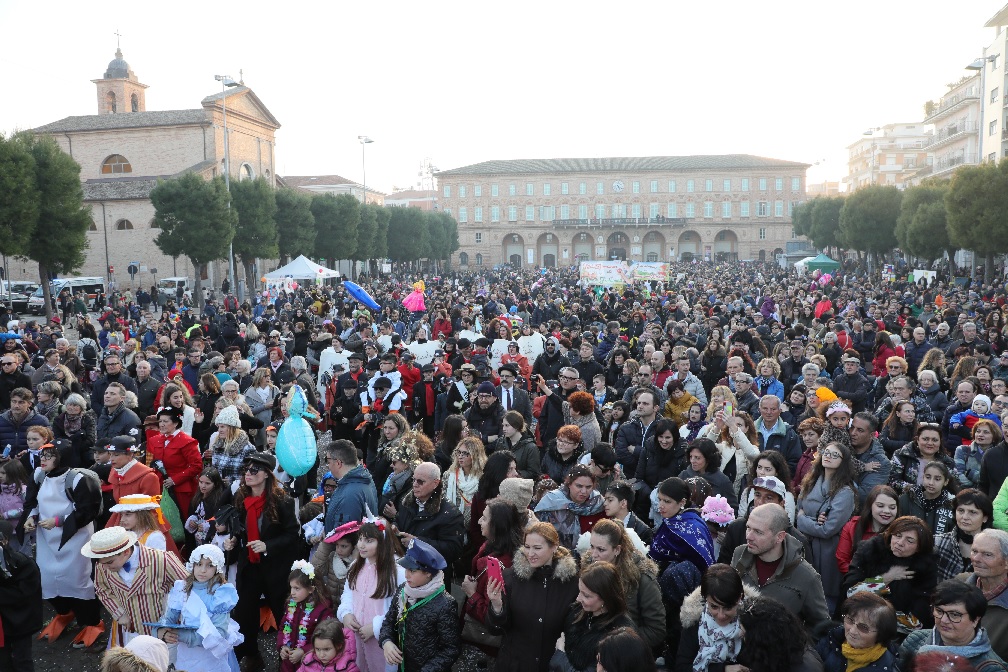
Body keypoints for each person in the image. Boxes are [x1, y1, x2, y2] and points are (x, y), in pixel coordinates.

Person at [20, 436, 104, 649]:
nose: (43, 460)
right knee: (47, 581)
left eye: (49, 457)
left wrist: (59, 521)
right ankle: (64, 613)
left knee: (78, 582)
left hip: (75, 539)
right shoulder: (39, 475)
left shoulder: (77, 479)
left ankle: (93, 622)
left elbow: (88, 510)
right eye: (43, 455)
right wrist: (31, 516)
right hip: (47, 539)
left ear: (62, 458)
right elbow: (31, 500)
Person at [224, 451, 300, 670]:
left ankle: (287, 658)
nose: (248, 474)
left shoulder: (282, 500)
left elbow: (293, 534)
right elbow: (241, 529)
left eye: (254, 470)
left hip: (275, 568)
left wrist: (268, 546)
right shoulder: (241, 497)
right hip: (249, 565)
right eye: (246, 470)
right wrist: (234, 539)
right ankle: (250, 655)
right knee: (245, 613)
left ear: (267, 474)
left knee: (282, 612)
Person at [486, 521, 581, 672]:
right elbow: (496, 630)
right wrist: (497, 606)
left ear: (554, 547)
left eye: (537, 548)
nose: (530, 554)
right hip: (514, 665)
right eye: (527, 547)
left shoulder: (571, 583)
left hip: (551, 665)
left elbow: (574, 630)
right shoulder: (511, 577)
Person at [731, 503, 831, 636]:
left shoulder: (807, 576)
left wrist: (793, 647)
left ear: (779, 537)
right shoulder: (739, 555)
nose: (749, 536)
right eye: (748, 528)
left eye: (758, 532)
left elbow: (821, 627)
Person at [85, 525, 187, 648]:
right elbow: (101, 588)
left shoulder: (161, 559)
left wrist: (174, 620)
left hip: (164, 632)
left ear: (126, 551)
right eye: (101, 563)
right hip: (131, 633)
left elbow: (189, 588)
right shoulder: (103, 564)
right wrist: (119, 613)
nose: (105, 568)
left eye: (109, 562)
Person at [151, 544, 241, 672]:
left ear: (217, 567)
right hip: (186, 656)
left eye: (210, 565)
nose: (203, 570)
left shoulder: (221, 593)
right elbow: (168, 619)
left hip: (210, 657)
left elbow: (219, 633)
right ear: (192, 564)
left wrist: (181, 636)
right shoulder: (182, 588)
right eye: (198, 564)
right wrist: (161, 631)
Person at [579, 518, 665, 652]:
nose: (593, 555)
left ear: (617, 550)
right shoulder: (588, 569)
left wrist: (618, 643)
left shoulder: (641, 578)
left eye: (601, 549)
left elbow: (655, 630)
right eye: (592, 547)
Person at [378, 538, 460, 672]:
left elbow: (451, 649)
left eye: (413, 571)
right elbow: (389, 620)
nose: (406, 575)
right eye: (406, 569)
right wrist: (386, 641)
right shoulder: (403, 591)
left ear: (428, 573)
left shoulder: (445, 604)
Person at [843, 515, 938, 630]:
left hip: (899, 634)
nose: (900, 543)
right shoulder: (870, 550)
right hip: (856, 624)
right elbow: (850, 593)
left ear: (919, 547)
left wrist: (878, 620)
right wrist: (884, 579)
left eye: (910, 540)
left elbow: (919, 620)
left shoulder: (925, 566)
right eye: (897, 536)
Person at [796, 440, 859, 611]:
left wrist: (804, 519)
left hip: (828, 551)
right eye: (827, 453)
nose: (829, 457)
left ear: (843, 461)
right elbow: (798, 510)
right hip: (804, 544)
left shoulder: (845, 492)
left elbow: (827, 529)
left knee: (824, 600)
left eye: (835, 455)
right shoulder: (810, 480)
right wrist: (814, 519)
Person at [898, 579, 1008, 671]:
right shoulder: (914, 640)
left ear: (975, 620)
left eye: (954, 615)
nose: (944, 620)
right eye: (939, 611)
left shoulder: (991, 668)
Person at [549, 561, 637, 672]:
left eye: (586, 595)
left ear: (606, 597)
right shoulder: (577, 611)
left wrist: (561, 656)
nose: (578, 599)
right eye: (579, 591)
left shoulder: (619, 634)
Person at [393, 461, 465, 586]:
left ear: (435, 483)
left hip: (432, 578)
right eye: (413, 480)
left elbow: (454, 550)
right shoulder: (407, 502)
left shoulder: (450, 513)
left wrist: (418, 542)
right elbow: (399, 520)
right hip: (406, 572)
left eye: (420, 481)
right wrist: (394, 528)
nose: (415, 485)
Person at [676, 563, 754, 672]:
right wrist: (723, 669)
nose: (721, 615)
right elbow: (682, 667)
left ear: (739, 598)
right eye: (714, 607)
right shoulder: (693, 621)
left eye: (728, 607)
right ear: (705, 599)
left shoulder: (754, 622)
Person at [956, 528, 1008, 661]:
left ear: (1006, 562)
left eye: (987, 555)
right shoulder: (958, 584)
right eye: (974, 551)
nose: (976, 559)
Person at [736, 596, 824, 672]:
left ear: (762, 638)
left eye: (745, 634)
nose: (739, 634)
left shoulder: (805, 668)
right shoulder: (775, 656)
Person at [816, 592, 898, 672]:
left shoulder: (887, 667)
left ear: (881, 634)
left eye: (863, 627)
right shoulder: (830, 640)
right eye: (850, 620)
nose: (852, 631)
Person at [277, 560, 335, 672]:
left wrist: (304, 650)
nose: (292, 592)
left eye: (297, 588)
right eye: (291, 587)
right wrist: (282, 646)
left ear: (311, 589)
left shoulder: (323, 610)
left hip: (310, 664)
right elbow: (283, 628)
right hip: (288, 664)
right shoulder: (290, 604)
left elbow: (326, 639)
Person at [0, 519, 42, 672]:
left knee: (22, 659)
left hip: (20, 622)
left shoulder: (23, 563)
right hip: (3, 623)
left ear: (4, 540)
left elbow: (26, 593)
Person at [145, 406, 201, 518]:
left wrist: (175, 480)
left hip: (180, 489)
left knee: (179, 520)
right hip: (159, 487)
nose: (161, 424)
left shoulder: (187, 442)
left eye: (165, 421)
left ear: (175, 423)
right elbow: (149, 464)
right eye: (160, 421)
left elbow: (197, 466)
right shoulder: (153, 440)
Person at [535, 463, 605, 551]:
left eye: (588, 487)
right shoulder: (552, 501)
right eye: (579, 486)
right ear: (569, 484)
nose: (583, 491)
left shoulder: (598, 503)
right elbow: (539, 534)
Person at [836, 484, 899, 576]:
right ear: (870, 506)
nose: (887, 511)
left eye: (892, 507)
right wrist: (875, 580)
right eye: (880, 506)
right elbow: (842, 562)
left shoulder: (901, 532)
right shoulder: (852, 526)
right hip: (857, 584)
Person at [934, 488, 993, 581]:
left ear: (985, 518)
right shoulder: (938, 542)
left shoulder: (995, 549)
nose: (965, 517)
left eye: (973, 512)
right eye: (961, 510)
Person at [323, 439, 378, 533]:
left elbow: (344, 538)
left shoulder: (349, 494)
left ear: (338, 463)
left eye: (328, 461)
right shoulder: (364, 480)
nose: (328, 466)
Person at [106, 435, 162, 528]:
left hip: (142, 524)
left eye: (116, 455)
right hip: (120, 519)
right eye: (110, 454)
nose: (111, 458)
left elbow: (150, 510)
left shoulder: (148, 477)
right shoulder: (115, 470)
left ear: (130, 455)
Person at [889, 423, 959, 496]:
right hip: (907, 500)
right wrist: (919, 491)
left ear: (940, 442)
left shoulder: (948, 462)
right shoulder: (902, 455)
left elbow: (955, 485)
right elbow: (893, 481)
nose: (930, 443)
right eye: (925, 439)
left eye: (934, 440)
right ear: (917, 440)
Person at [677, 438, 738, 512]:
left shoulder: (722, 481)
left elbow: (732, 510)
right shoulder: (684, 475)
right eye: (691, 457)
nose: (692, 461)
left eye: (697, 458)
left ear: (708, 459)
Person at [898, 460, 957, 535]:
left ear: (946, 482)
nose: (931, 483)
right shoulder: (907, 499)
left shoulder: (950, 505)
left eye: (937, 479)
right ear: (923, 477)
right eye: (928, 477)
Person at [495, 410, 541, 480]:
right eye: (503, 425)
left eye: (507, 425)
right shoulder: (501, 442)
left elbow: (534, 473)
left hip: (521, 485)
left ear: (516, 426)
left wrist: (512, 474)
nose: (504, 429)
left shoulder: (530, 447)